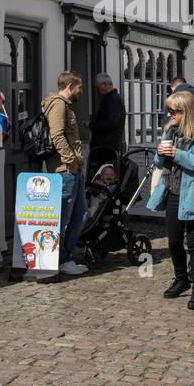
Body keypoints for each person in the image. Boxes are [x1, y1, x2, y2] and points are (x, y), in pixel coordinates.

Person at [147, 91, 194, 310]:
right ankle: (181, 279)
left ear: (185, 112)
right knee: (174, 242)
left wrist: (178, 154)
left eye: (173, 111)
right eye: (168, 110)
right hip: (172, 191)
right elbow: (160, 163)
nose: (169, 114)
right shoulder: (170, 131)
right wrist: (160, 152)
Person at [41, 70, 89, 277]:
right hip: (64, 170)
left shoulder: (65, 105)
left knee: (81, 213)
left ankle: (66, 257)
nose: (81, 91)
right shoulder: (58, 105)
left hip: (73, 170)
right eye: (79, 87)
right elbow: (57, 135)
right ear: (70, 86)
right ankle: (61, 260)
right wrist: (70, 159)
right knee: (63, 218)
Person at [88, 72, 125, 154]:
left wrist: (91, 125)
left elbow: (111, 123)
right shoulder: (110, 99)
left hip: (107, 148)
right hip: (105, 147)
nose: (96, 91)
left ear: (104, 85)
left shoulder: (113, 100)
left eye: (97, 87)